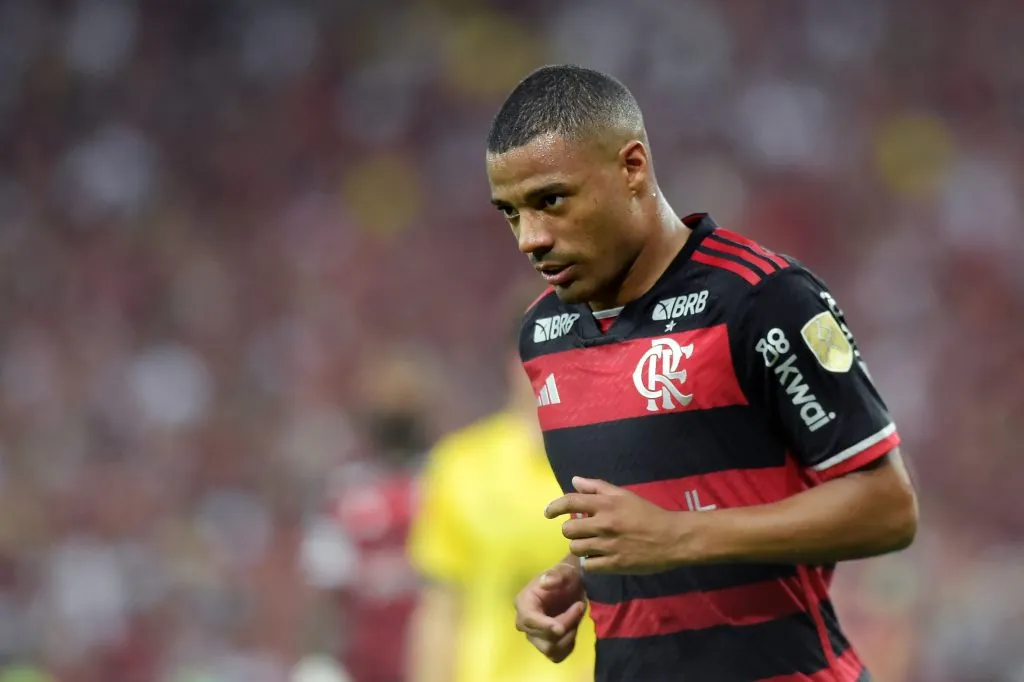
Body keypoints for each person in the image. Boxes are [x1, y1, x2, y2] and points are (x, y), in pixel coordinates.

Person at [484, 64, 919, 682]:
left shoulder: (760, 299)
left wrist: (679, 537)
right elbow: (656, 520)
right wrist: (581, 576)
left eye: (551, 200)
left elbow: (888, 507)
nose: (530, 238)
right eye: (510, 212)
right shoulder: (542, 336)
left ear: (632, 167)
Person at [405, 292, 596, 682]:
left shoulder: (614, 464)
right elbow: (440, 610)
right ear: (515, 360)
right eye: (539, 351)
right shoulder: (461, 467)